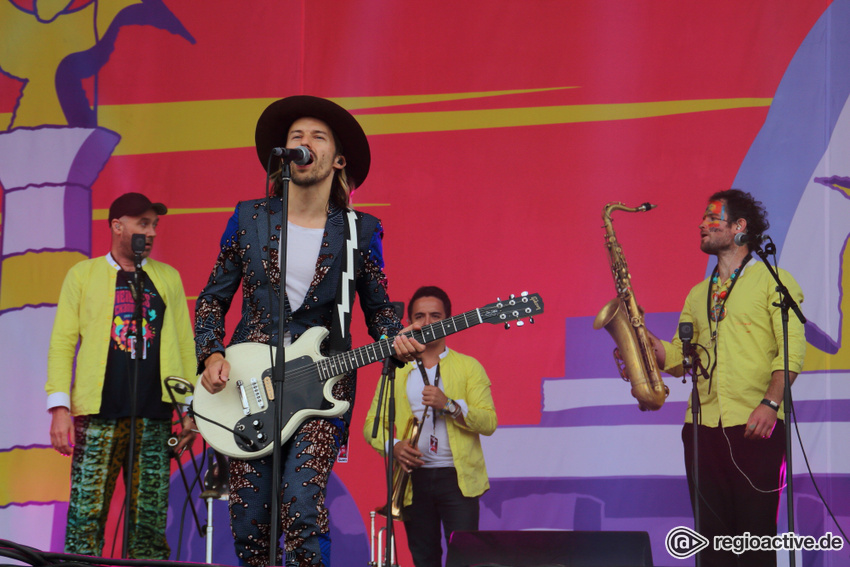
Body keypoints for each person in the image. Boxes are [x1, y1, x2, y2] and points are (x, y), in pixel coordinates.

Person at [194, 95, 422, 567]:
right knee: (249, 524)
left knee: (301, 506)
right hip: (248, 386)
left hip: (321, 388)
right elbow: (213, 298)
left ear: (338, 159)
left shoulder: (360, 231)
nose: (303, 143)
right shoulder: (249, 219)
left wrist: (395, 339)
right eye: (296, 136)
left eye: (317, 137)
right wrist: (211, 353)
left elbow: (379, 310)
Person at [648, 189, 806, 567]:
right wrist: (648, 347)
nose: (702, 224)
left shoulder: (775, 281)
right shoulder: (697, 293)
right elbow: (682, 359)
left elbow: (791, 351)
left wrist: (771, 403)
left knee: (754, 541)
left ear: (739, 227)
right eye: (703, 218)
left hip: (756, 423)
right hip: (702, 430)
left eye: (712, 218)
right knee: (711, 545)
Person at [46, 192, 198, 558]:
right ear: (117, 226)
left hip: (155, 416)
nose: (151, 232)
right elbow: (62, 343)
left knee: (148, 526)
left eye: (154, 225)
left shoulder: (167, 278)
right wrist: (59, 408)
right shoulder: (83, 275)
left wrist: (192, 409)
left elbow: (185, 345)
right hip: (97, 415)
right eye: (143, 223)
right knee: (85, 520)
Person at [364, 286, 498, 567]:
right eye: (419, 316)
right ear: (409, 322)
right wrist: (395, 446)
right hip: (413, 481)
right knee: (424, 559)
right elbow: (371, 425)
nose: (426, 323)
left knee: (465, 560)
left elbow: (488, 422)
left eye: (436, 316)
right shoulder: (396, 369)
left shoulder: (469, 367)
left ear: (448, 320)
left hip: (458, 482)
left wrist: (450, 405)